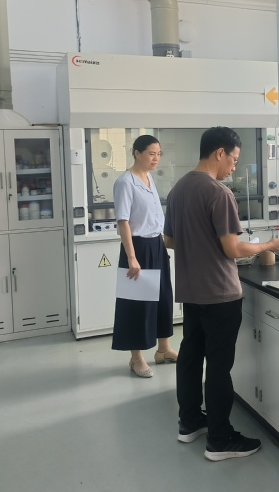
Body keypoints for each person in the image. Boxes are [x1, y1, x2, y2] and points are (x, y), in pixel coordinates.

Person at [164, 126, 279, 461]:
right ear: (219, 153)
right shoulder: (219, 193)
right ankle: (220, 440)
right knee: (219, 368)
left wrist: (199, 246)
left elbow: (170, 240)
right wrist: (268, 245)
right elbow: (232, 248)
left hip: (191, 291)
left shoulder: (178, 189)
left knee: (191, 357)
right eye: (233, 159)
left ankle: (190, 422)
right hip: (220, 294)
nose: (234, 167)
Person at [112, 134, 178, 378]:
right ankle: (136, 358)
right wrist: (132, 257)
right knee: (137, 303)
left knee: (162, 297)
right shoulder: (125, 182)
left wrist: (161, 247)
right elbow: (123, 221)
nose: (156, 158)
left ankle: (163, 349)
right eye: (151, 154)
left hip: (155, 245)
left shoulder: (149, 178)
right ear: (136, 153)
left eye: (158, 154)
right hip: (137, 247)